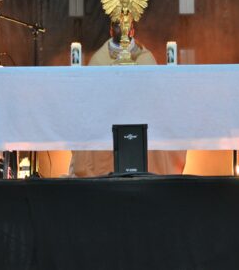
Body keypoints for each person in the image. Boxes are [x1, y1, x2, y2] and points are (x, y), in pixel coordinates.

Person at [68, 20, 187, 176]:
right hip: (107, 117)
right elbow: (92, 95)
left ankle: (153, 173)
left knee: (162, 125)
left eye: (126, 26)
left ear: (132, 31)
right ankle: (98, 174)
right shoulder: (99, 59)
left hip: (140, 116)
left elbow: (155, 93)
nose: (122, 29)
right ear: (110, 30)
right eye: (117, 25)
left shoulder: (145, 58)